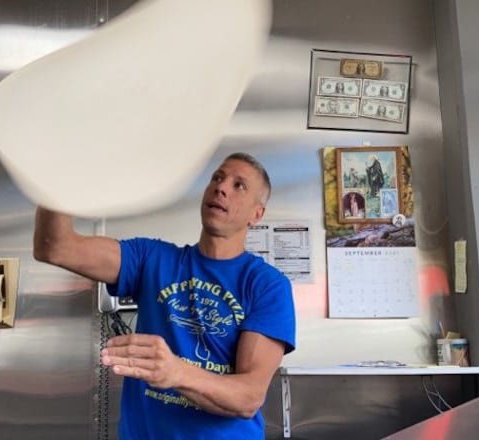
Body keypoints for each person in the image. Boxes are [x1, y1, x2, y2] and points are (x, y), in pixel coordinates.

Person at [33, 152, 297, 440]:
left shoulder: (266, 285)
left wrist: (176, 373)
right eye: (217, 178)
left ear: (256, 215)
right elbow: (55, 247)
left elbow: (248, 397)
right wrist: (57, 173)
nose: (221, 188)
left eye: (239, 186)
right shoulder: (152, 259)